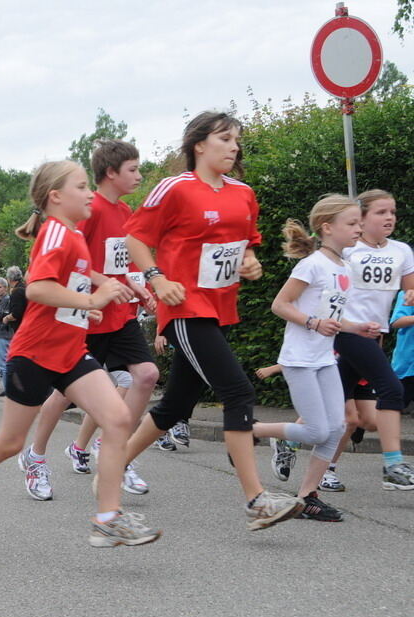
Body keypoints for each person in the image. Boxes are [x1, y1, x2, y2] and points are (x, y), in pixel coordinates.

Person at [0, 160, 160, 550]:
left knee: (118, 418)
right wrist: (89, 299)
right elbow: (37, 289)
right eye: (82, 187)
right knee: (10, 442)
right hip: (34, 355)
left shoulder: (74, 235)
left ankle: (108, 519)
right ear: (55, 197)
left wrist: (93, 300)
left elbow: (68, 287)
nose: (89, 194)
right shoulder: (55, 234)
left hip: (70, 354)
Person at [122, 111, 304, 530]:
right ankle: (257, 499)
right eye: (225, 138)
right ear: (199, 144)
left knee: (177, 404)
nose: (234, 146)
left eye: (237, 139)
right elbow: (136, 237)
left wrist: (251, 262)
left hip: (219, 307)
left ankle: (112, 467)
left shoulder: (243, 193)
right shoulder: (175, 188)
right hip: (185, 306)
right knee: (238, 392)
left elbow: (246, 245)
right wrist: (157, 277)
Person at [20, 139, 158, 499]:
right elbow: (74, 264)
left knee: (145, 375)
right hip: (85, 315)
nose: (139, 176)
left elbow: (122, 263)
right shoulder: (87, 209)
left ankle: (111, 450)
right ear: (111, 173)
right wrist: (97, 292)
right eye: (133, 169)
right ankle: (37, 455)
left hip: (118, 312)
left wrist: (141, 287)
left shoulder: (126, 212)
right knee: (63, 394)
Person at [252, 195, 378, 520]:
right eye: (351, 223)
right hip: (299, 358)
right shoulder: (311, 264)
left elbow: (332, 317)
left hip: (323, 359)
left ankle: (307, 495)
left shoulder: (344, 267)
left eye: (359, 223)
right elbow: (280, 304)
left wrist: (358, 327)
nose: (358, 228)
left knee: (337, 428)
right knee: (317, 432)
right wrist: (313, 323)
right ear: (327, 227)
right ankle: (250, 430)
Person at [327, 189, 414, 490]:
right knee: (391, 389)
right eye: (381, 212)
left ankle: (287, 441)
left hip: (375, 337)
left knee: (335, 406)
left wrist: (411, 294)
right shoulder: (348, 251)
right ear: (361, 219)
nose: (389, 217)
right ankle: (393, 463)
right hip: (346, 332)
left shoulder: (401, 250)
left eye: (392, 212)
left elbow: (409, 290)